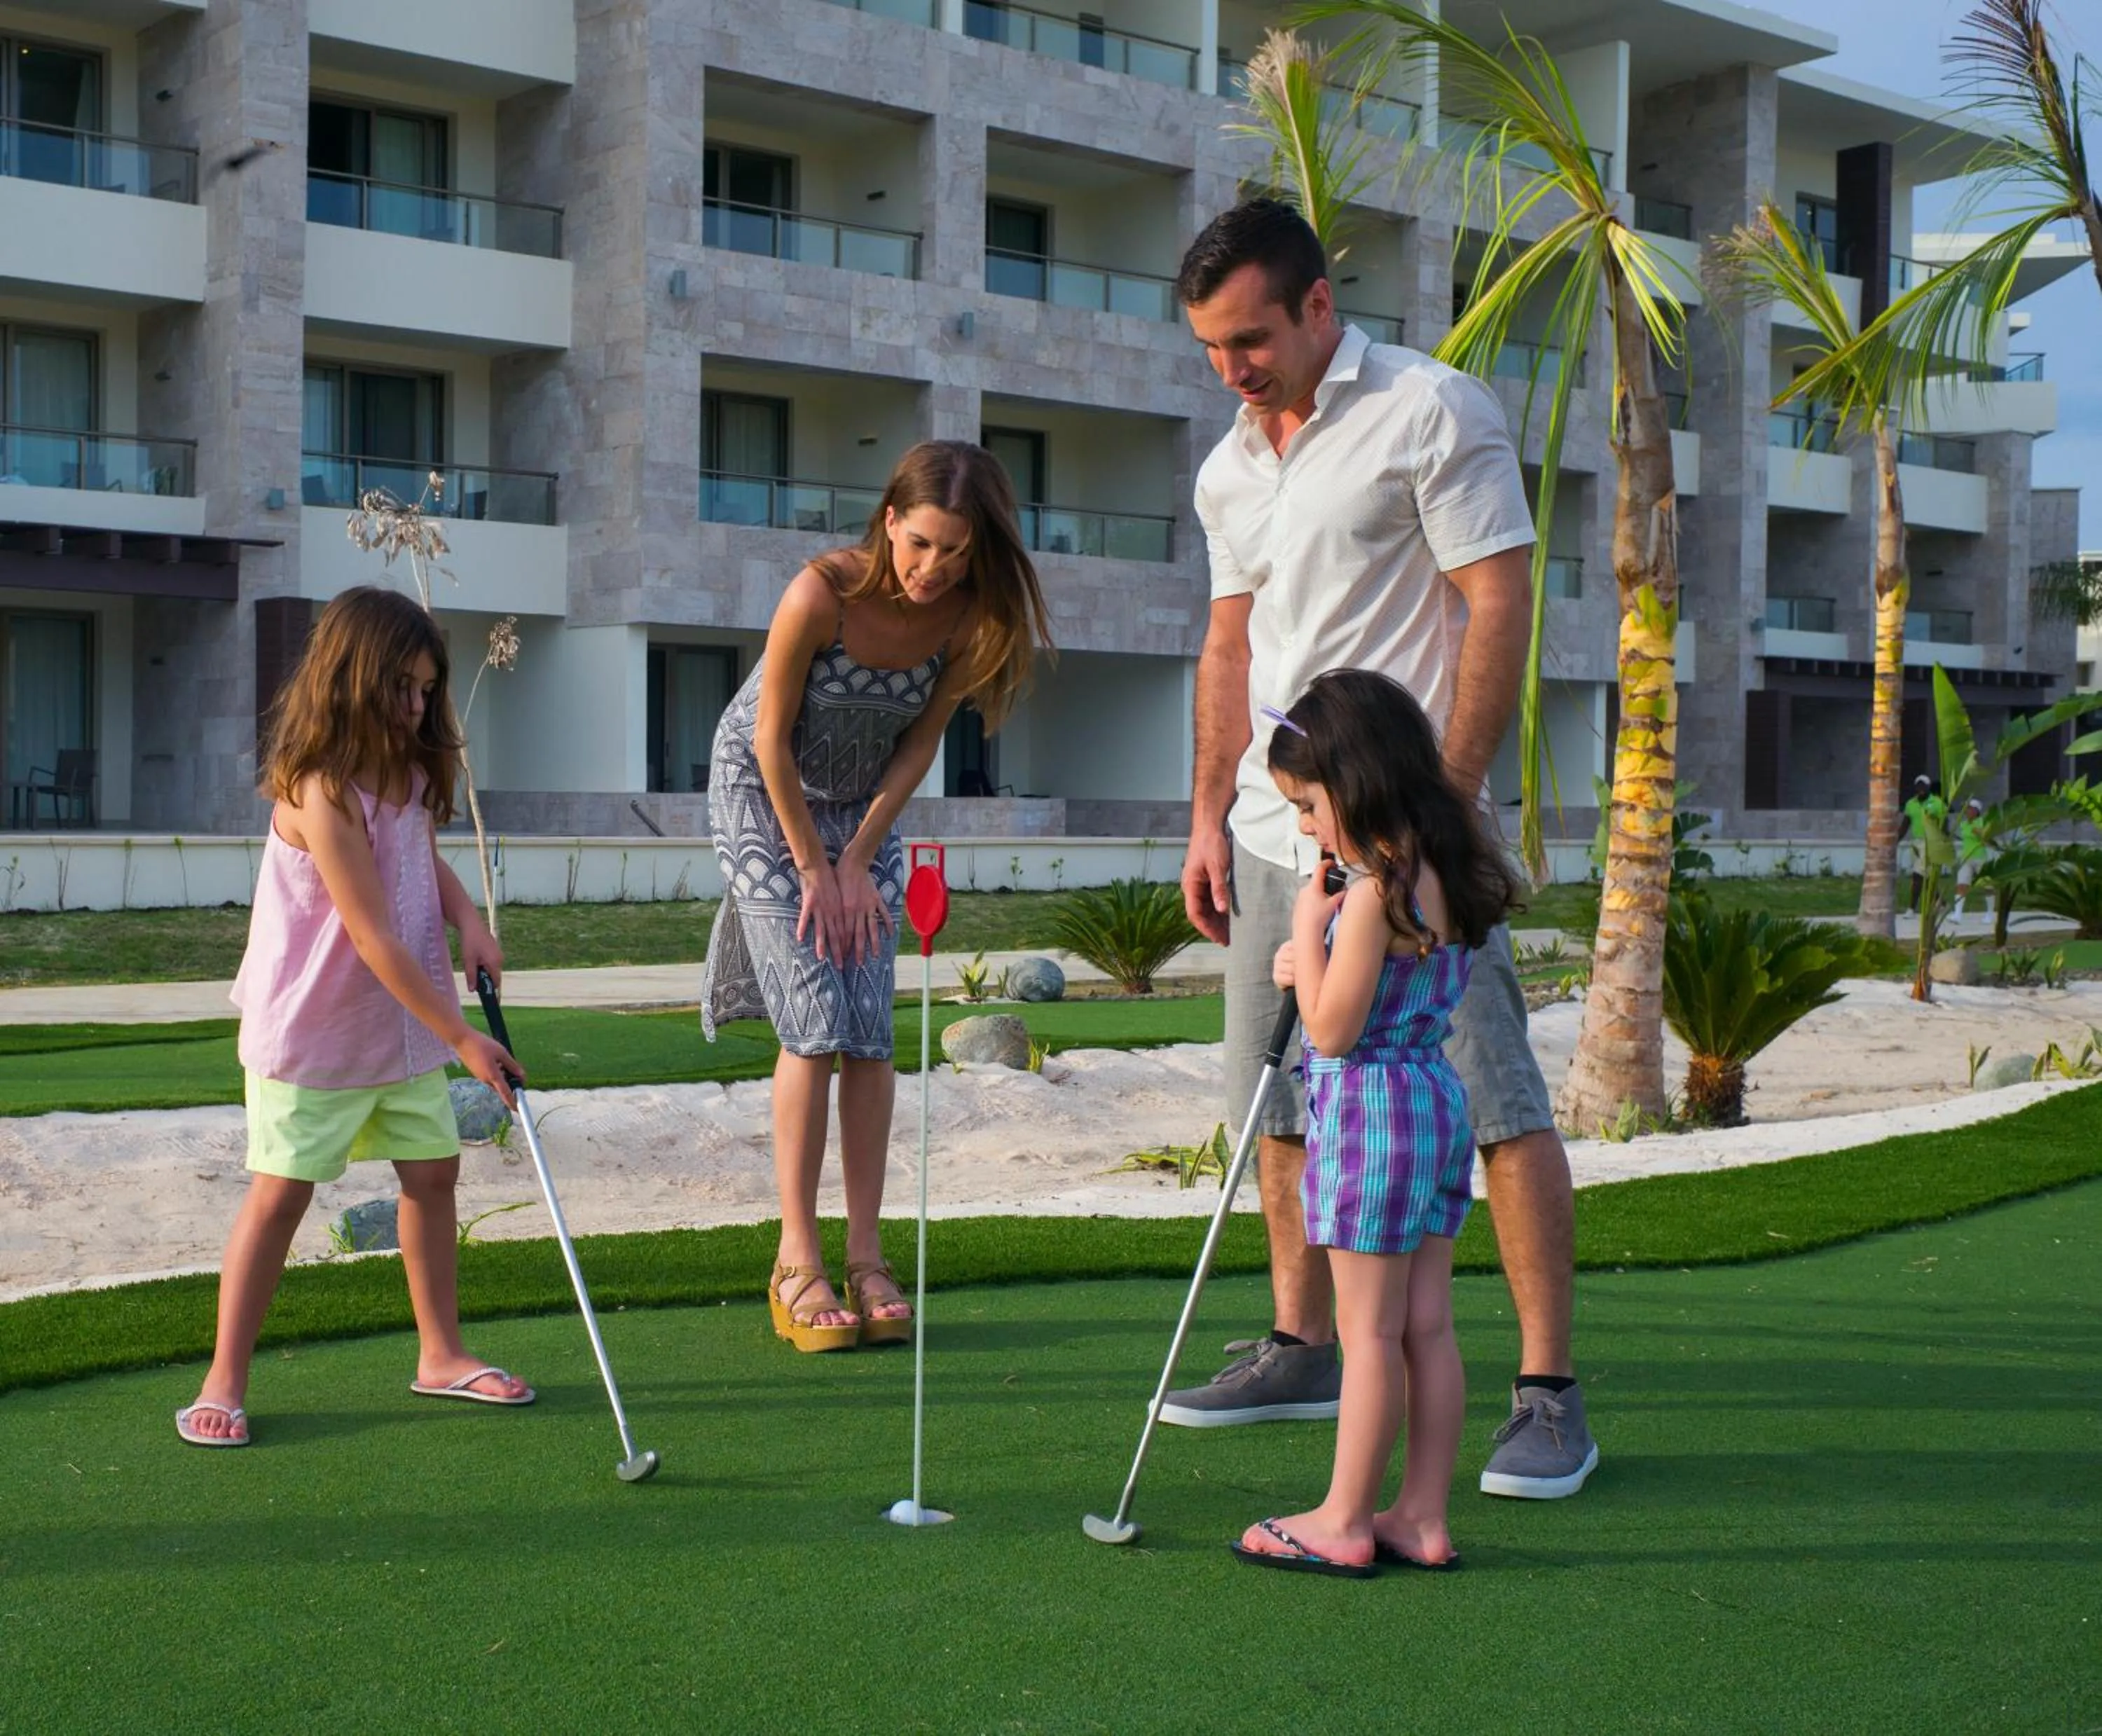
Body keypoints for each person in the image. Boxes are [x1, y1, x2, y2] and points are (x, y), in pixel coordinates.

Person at [1168, 198, 1598, 1500]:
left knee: (1495, 1098)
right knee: (1279, 1099)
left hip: (1409, 833)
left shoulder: (1431, 408)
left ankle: (1549, 1392)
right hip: (1269, 833)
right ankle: (1306, 1347)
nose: (1232, 368)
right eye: (1209, 348)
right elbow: (1231, 644)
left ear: (1317, 305)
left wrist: (1438, 823)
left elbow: (1498, 599)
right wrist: (1204, 811)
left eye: (1249, 336)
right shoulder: (1228, 467)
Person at [701, 441, 1053, 1352]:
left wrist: (857, 856)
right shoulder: (820, 592)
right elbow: (770, 742)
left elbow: (917, 745)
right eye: (923, 543)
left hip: (862, 811)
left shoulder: (966, 619)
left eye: (958, 553)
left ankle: (865, 1257)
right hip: (763, 796)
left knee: (868, 1026)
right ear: (890, 518)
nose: (935, 569)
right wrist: (816, 868)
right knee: (815, 1018)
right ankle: (794, 1260)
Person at [175, 586, 531, 1447]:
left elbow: (423, 864)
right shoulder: (316, 790)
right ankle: (224, 1377)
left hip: (400, 1031)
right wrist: (462, 1037)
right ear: (350, 681)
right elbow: (370, 935)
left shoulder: (407, 772)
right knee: (283, 1194)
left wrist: (471, 922)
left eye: (426, 690)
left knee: (434, 1178)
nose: (416, 708)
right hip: (316, 1032)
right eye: (401, 689)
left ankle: (440, 1354)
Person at [1230, 670, 1520, 1575]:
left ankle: (1345, 1517)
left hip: (1370, 1115)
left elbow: (1330, 1029)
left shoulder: (1368, 895)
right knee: (1425, 1326)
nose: (1309, 828)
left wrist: (1307, 928)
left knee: (1365, 1333)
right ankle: (1421, 1515)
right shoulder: (1442, 869)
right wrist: (1315, 951)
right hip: (1434, 1101)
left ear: (1355, 780)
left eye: (1311, 805)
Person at [1903, 776, 1947, 915]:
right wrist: (1894, 841)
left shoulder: (1937, 803)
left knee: (1917, 876)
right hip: (1916, 843)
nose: (1921, 789)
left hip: (1931, 842)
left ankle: (1911, 909)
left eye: (1924, 786)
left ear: (1929, 788)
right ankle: (1941, 903)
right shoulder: (1911, 804)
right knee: (1926, 877)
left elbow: (1945, 824)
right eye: (1919, 786)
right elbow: (1905, 824)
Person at [1952, 797, 1990, 919]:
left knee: (1987, 885)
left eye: (1969, 809)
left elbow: (1987, 838)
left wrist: (1979, 832)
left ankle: (1989, 913)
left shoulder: (1983, 822)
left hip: (1980, 858)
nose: (1967, 811)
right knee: (1962, 884)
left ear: (1976, 811)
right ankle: (1958, 914)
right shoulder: (1963, 824)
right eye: (1966, 809)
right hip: (1966, 858)